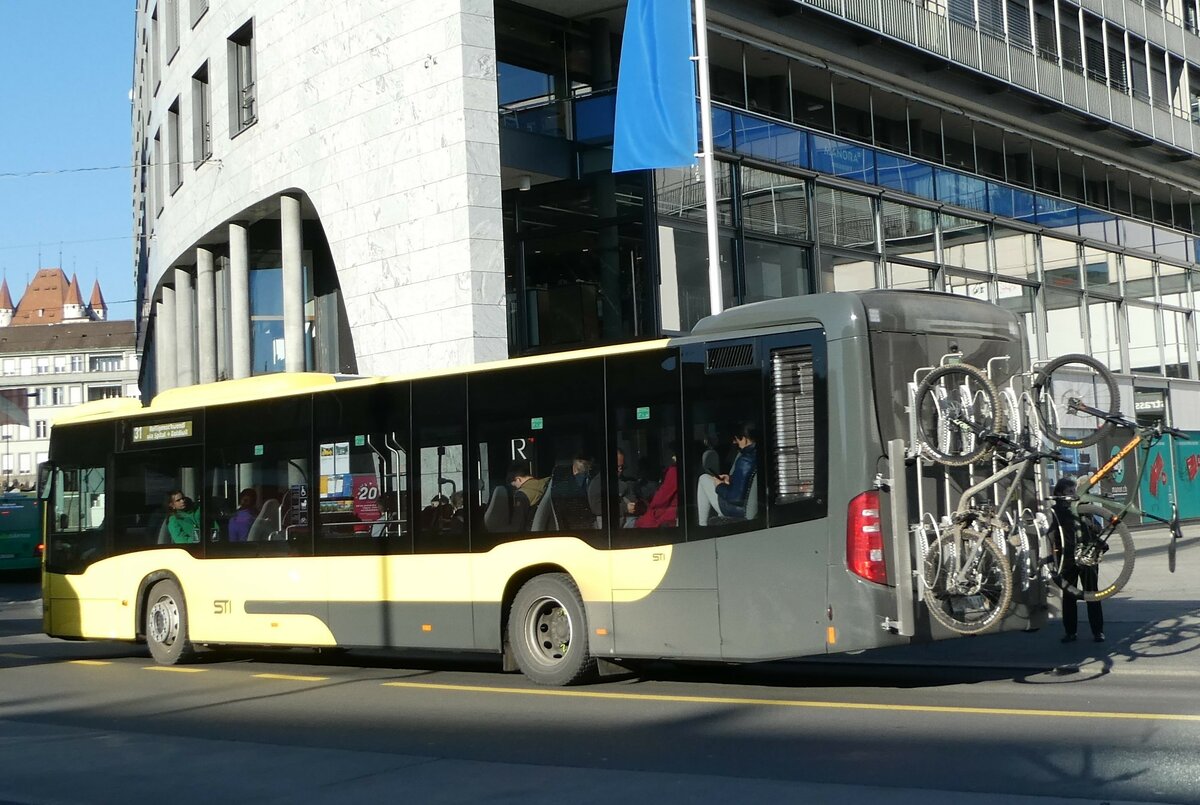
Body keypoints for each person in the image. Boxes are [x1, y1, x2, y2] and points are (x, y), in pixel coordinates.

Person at [1052, 477, 1105, 643]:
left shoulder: (1083, 508)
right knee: (1069, 596)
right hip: (1067, 559)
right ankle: (1070, 632)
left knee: (1092, 594)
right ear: (1060, 494)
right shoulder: (1055, 512)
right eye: (1069, 492)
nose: (1074, 494)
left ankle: (1098, 631)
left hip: (1087, 557)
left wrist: (1089, 522)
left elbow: (1098, 528)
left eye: (1074, 491)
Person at [696, 422, 758, 526]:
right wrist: (730, 478)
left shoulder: (745, 460)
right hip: (745, 507)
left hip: (735, 510)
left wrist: (719, 486)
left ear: (745, 438)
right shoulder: (757, 454)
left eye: (737, 439)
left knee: (703, 478)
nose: (735, 442)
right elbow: (746, 480)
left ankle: (702, 526)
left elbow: (735, 498)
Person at [636, 444, 679, 528]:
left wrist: (649, 505)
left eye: (675, 454)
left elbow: (662, 497)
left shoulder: (674, 471)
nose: (673, 458)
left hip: (666, 516)